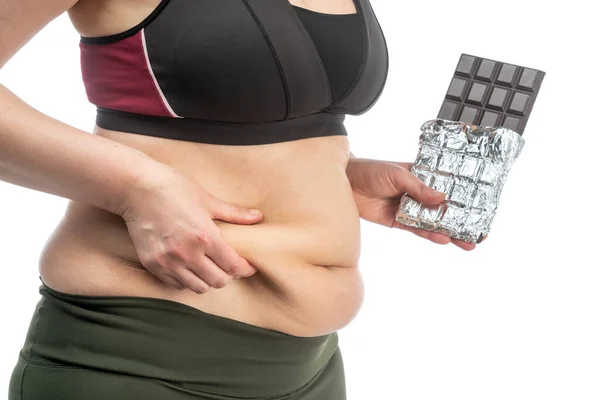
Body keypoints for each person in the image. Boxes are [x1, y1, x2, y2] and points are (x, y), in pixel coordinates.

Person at [1, 0, 477, 398]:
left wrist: (337, 179)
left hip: (312, 369)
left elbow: (245, 127)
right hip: (136, 360)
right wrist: (134, 187)